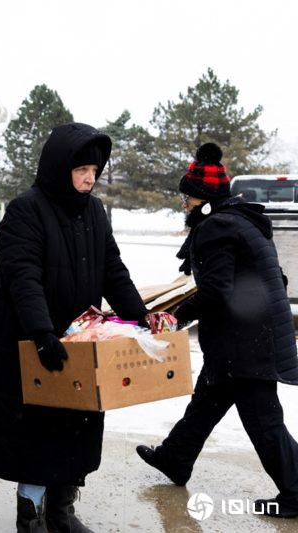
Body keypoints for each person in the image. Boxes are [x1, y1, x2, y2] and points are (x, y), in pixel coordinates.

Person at [0, 122, 149, 533]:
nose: (90, 178)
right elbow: (22, 276)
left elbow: (112, 269)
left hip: (80, 342)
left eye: (94, 171)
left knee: (75, 428)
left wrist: (139, 316)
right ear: (61, 168)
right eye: (81, 170)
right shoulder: (27, 209)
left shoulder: (94, 211)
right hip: (32, 342)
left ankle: (62, 508)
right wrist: (42, 333)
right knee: (36, 433)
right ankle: (31, 514)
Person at [136, 143, 298, 518]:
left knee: (264, 421)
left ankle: (295, 491)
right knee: (207, 401)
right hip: (241, 339)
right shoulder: (241, 220)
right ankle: (175, 458)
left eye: (188, 198)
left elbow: (216, 290)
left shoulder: (216, 228)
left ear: (205, 199)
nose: (184, 205)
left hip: (249, 344)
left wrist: (176, 315)